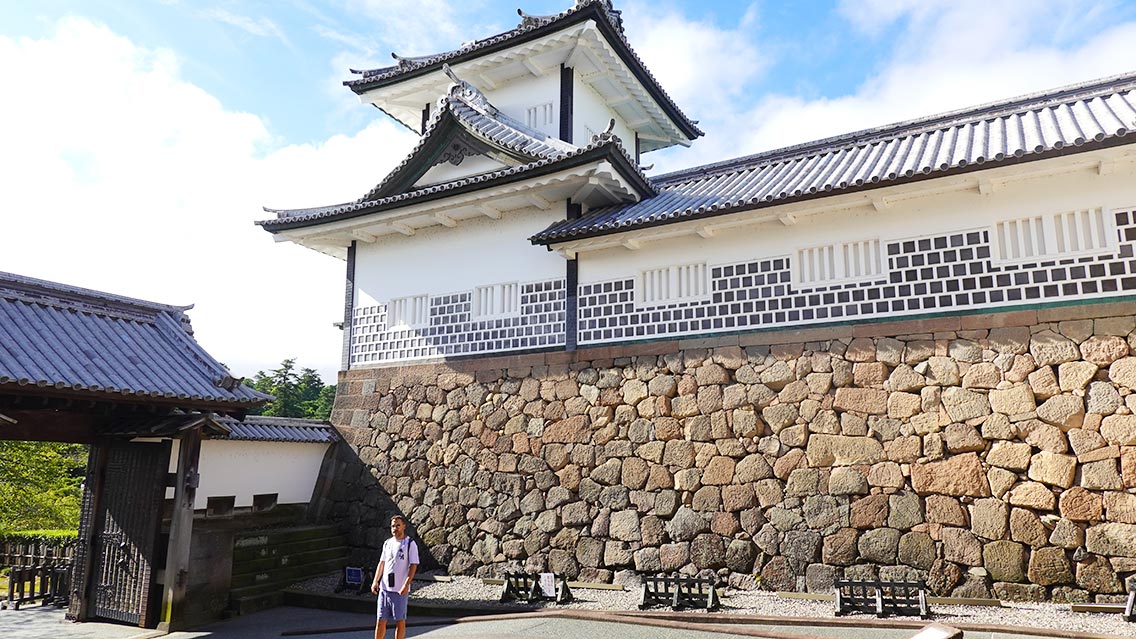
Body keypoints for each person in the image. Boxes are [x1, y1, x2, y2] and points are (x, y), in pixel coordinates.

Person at [371, 514, 419, 639]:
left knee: (400, 621)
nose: (395, 528)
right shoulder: (387, 543)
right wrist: (375, 581)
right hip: (385, 589)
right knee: (380, 621)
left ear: (404, 526)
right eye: (393, 526)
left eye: (398, 525)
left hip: (399, 591)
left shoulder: (410, 544)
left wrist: (406, 584)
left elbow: (413, 565)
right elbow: (382, 563)